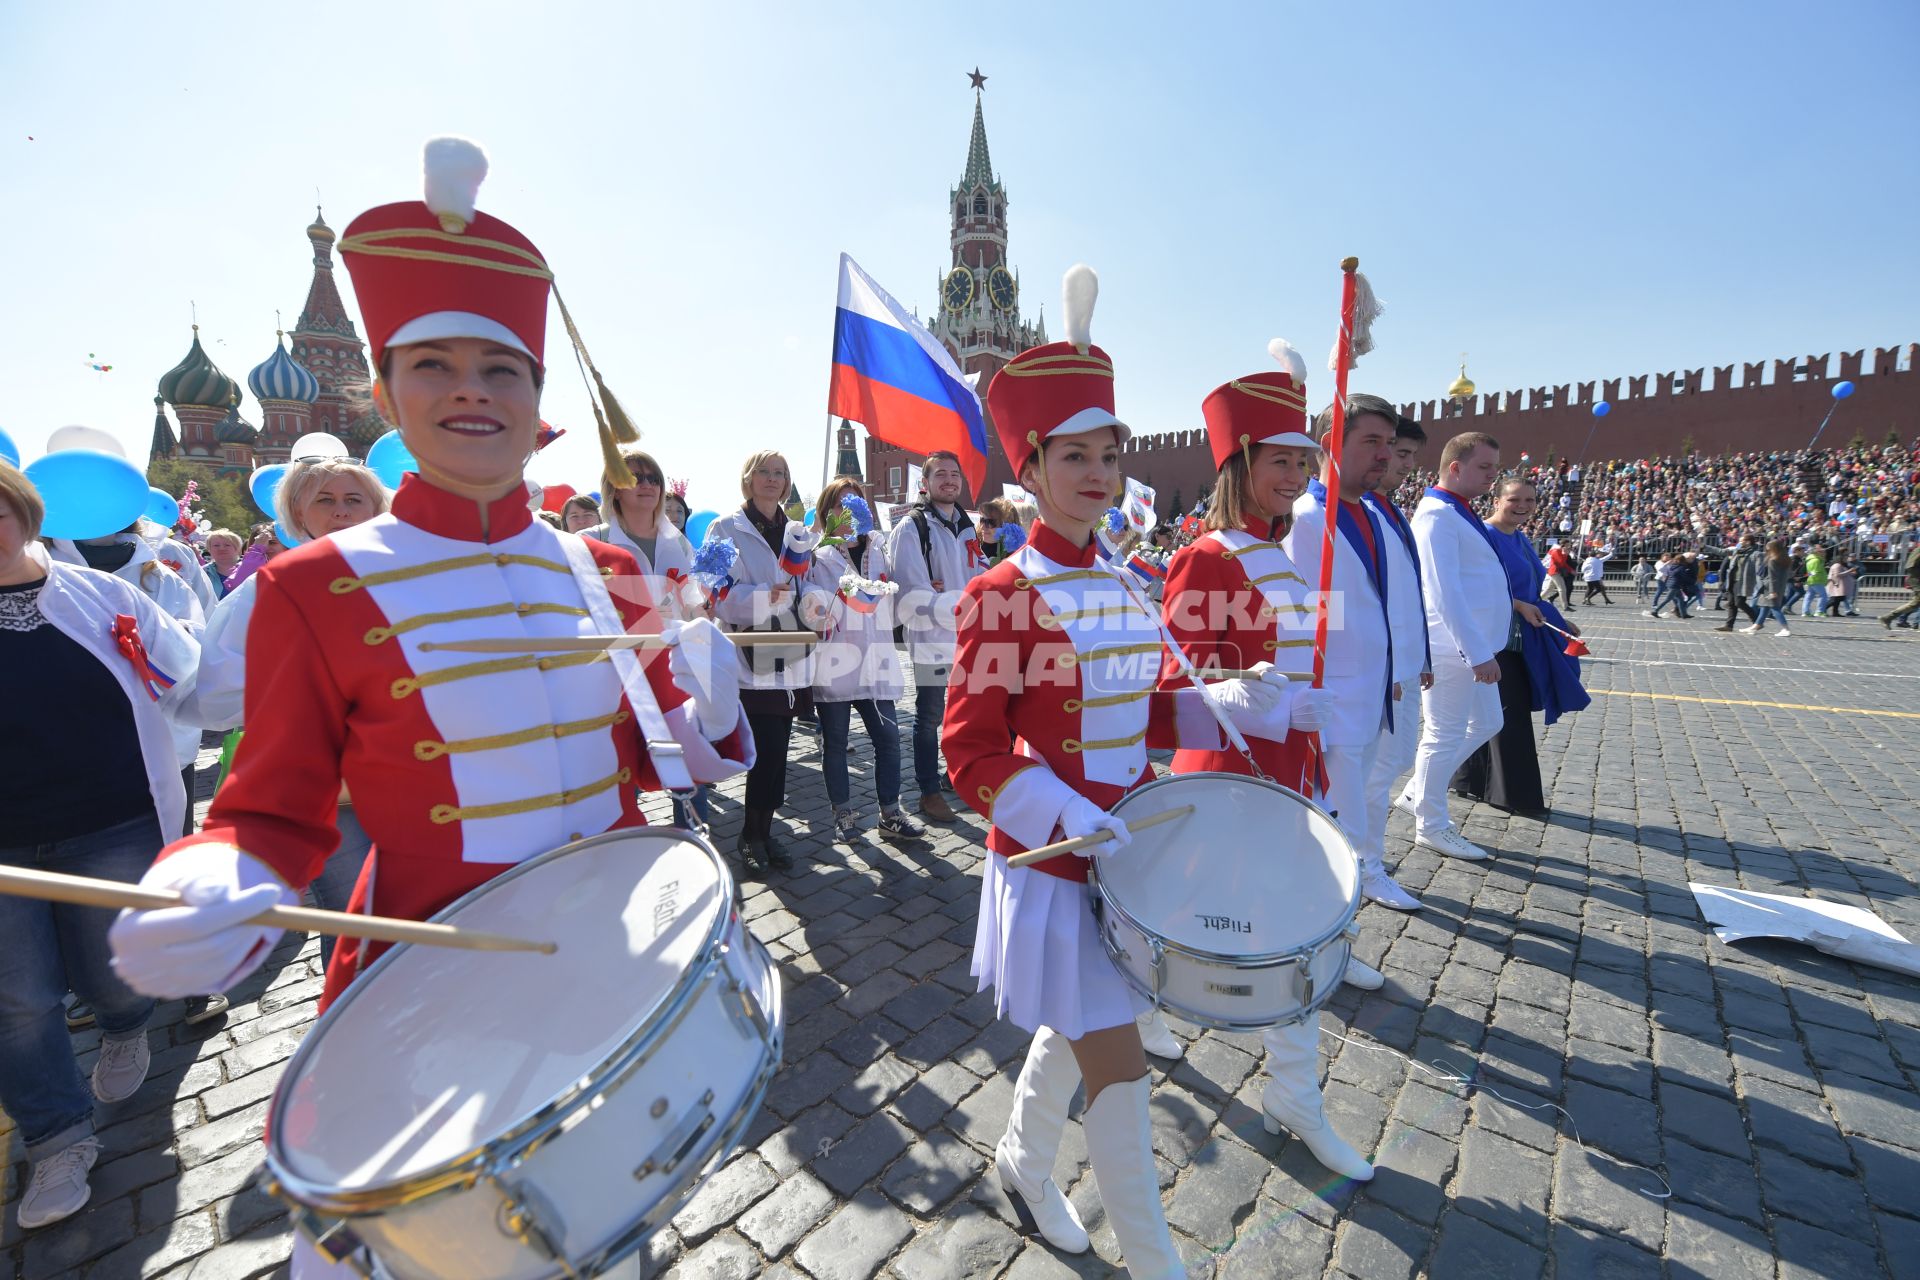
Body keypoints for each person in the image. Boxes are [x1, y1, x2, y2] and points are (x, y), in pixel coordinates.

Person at [107, 146, 754, 1280]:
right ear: (389, 389)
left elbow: (652, 752)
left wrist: (708, 694)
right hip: (430, 977)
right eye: (437, 363)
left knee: (608, 1214)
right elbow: (271, 811)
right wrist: (223, 880)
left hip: (608, 959)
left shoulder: (597, 563)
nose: (472, 389)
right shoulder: (316, 584)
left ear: (538, 405)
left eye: (502, 368)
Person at [946, 268, 1307, 1276]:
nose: (1099, 472)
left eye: (1110, 452)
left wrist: (1217, 704)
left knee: (1090, 1022)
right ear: (1031, 465)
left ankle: (1021, 1154)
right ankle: (1156, 1263)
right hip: (1058, 853)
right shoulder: (1001, 592)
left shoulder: (1122, 577)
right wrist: (1065, 812)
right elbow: (968, 751)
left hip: (1133, 844)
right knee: (1123, 1061)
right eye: (1076, 455)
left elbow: (1135, 707)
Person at [0, 462, 200, 1230]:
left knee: (114, 973)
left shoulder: (103, 594)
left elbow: (190, 678)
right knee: (18, 1000)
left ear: (23, 509)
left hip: (111, 823)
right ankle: (56, 1138)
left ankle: (122, 1025)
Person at [168, 458, 390, 968]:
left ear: (378, 507)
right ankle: (353, 1029)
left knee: (432, 904)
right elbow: (220, 696)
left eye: (354, 499)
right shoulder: (269, 588)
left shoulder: (419, 578)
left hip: (424, 777)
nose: (341, 512)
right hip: (330, 791)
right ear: (297, 513)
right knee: (354, 918)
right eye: (325, 500)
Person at [1399, 432, 1510, 862]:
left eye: (1494, 469)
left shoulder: (1457, 512)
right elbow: (1443, 591)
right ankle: (1431, 824)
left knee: (1488, 722)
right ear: (1455, 467)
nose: (1491, 477)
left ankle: (1417, 791)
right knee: (1442, 735)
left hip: (1474, 645)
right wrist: (1475, 652)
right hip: (1453, 646)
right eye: (1484, 468)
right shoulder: (1437, 517)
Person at [709, 449, 820, 873]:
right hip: (750, 654)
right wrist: (763, 599)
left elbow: (806, 584)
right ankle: (750, 834)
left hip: (791, 652)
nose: (773, 479)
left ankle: (765, 832)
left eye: (780, 473)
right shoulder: (725, 527)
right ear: (749, 479)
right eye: (765, 472)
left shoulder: (796, 531)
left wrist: (816, 604)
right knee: (766, 751)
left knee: (779, 752)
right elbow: (716, 593)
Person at [1454, 479, 1589, 815]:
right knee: (1508, 712)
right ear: (1497, 499)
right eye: (1514, 499)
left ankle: (1468, 779)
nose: (1523, 505)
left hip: (1523, 633)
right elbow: (1472, 586)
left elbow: (1531, 590)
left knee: (1498, 709)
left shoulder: (1520, 537)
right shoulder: (1483, 535)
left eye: (1529, 499)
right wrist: (1518, 606)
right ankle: (1513, 794)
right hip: (1496, 634)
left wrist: (1555, 618)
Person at [802, 476, 923, 844]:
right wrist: (820, 609)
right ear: (827, 512)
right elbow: (807, 601)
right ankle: (843, 815)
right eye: (840, 503)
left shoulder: (879, 549)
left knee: (888, 738)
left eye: (855, 501)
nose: (849, 509)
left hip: (877, 660)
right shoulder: (817, 555)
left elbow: (893, 595)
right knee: (836, 742)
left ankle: (890, 813)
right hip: (837, 660)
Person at [888, 449, 986, 824]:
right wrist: (958, 601)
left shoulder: (966, 524)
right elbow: (910, 595)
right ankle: (928, 790)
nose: (949, 480)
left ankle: (955, 774)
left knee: (967, 713)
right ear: (925, 484)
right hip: (931, 641)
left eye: (955, 474)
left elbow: (977, 574)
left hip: (969, 639)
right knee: (929, 716)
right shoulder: (912, 528)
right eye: (940, 474)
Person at [1360, 415, 1433, 910]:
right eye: (1393, 451)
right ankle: (1365, 864)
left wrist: (1418, 654)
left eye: (1404, 454)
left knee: (1393, 761)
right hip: (1379, 672)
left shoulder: (1388, 511)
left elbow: (1408, 591)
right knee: (1373, 769)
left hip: (1402, 665)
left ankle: (1365, 858)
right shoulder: (1359, 512)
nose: (1401, 464)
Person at [580, 448, 696, 608]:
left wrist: (701, 608)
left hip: (676, 633)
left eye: (654, 479)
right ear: (615, 490)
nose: (647, 485)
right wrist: (637, 614)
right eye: (636, 478)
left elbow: (693, 600)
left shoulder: (680, 543)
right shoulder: (588, 542)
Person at [1711, 535, 1764, 632]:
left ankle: (1757, 622)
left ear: (1748, 542)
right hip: (1733, 581)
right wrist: (1705, 546)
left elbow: (1759, 570)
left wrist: (1761, 583)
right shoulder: (1737, 551)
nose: (1739, 543)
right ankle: (1729, 625)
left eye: (1741, 541)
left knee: (1739, 603)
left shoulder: (1756, 554)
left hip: (1744, 582)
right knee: (1731, 604)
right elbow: (1721, 551)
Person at [1744, 540, 1794, 636]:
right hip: (1780, 586)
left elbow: (1772, 577)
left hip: (1770, 587)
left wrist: (1772, 591)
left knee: (1774, 608)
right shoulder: (1786, 559)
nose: (1766, 550)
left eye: (1768, 548)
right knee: (1764, 607)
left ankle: (1785, 628)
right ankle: (1756, 626)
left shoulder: (1773, 560)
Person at [1883, 540, 1920, 628]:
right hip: (1916, 580)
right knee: (1915, 604)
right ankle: (1888, 618)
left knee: (1915, 604)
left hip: (1916, 578)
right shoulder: (1918, 551)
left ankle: (1888, 618)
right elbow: (1910, 566)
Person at [1544, 541, 1576, 610]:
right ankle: (1565, 606)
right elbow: (1560, 562)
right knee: (1562, 589)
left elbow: (1564, 564)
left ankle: (1538, 599)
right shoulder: (1556, 551)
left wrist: (1571, 570)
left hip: (1557, 572)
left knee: (1549, 589)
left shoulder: (1562, 552)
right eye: (1567, 545)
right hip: (1554, 571)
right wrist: (1565, 554)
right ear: (1563, 545)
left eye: (1569, 545)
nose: (1568, 547)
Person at [1826, 553, 1858, 617]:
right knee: (1835, 599)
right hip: (1836, 585)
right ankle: (1822, 609)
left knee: (1838, 599)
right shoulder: (1837, 565)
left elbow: (1845, 574)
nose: (1846, 560)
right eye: (1844, 559)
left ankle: (1835, 612)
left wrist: (1852, 573)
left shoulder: (1842, 565)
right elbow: (1838, 574)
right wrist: (1849, 571)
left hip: (1840, 585)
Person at [1801, 544, 1829, 617]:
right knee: (1823, 595)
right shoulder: (1816, 560)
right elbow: (1815, 571)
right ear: (1817, 552)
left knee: (1809, 596)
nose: (1824, 553)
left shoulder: (1811, 559)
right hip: (1817, 580)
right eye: (1822, 552)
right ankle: (1819, 611)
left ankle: (1805, 611)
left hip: (1812, 580)